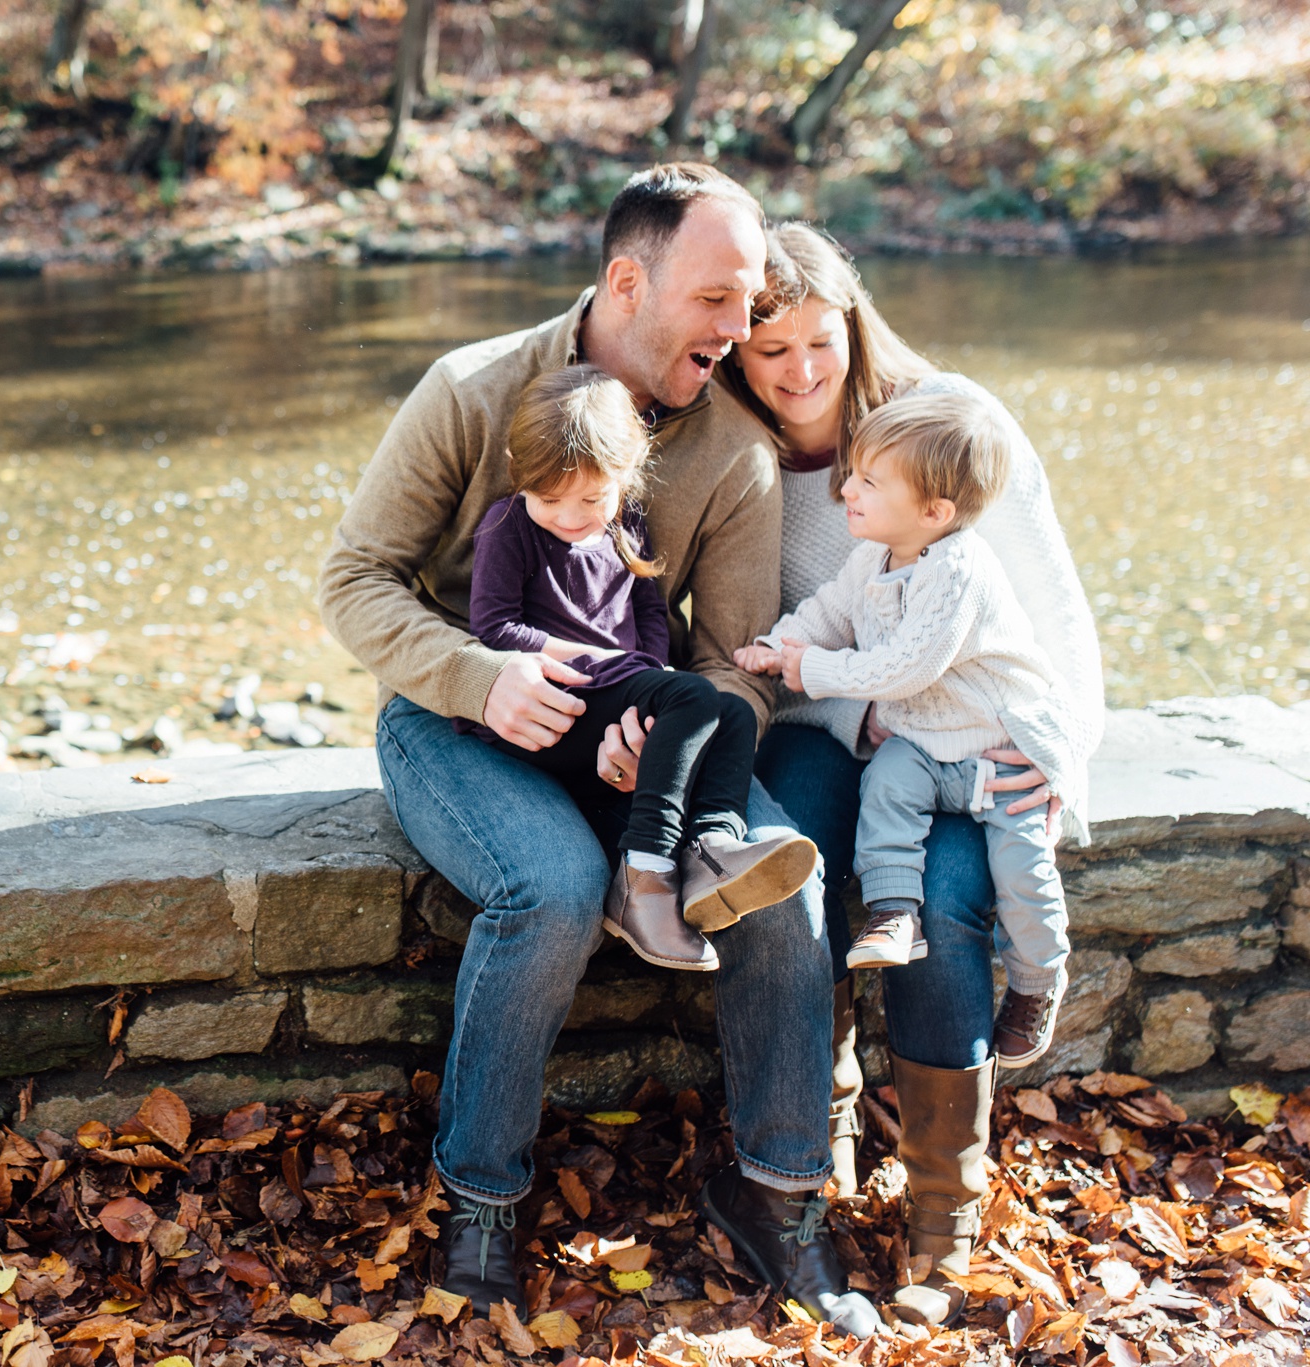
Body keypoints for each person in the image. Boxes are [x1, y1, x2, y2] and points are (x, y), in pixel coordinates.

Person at [318, 164, 882, 1339]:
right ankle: (479, 1199)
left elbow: (734, 657)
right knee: (552, 889)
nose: (742, 330)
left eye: (752, 302)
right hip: (456, 719)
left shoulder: (730, 446)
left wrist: (653, 720)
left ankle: (776, 1196)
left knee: (785, 886)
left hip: (638, 734)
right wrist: (481, 675)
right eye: (719, 300)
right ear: (627, 281)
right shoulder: (471, 389)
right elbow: (353, 579)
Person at [701, 221, 1104, 1328]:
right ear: (735, 350)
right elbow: (763, 636)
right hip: (820, 729)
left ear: (853, 320)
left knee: (938, 903)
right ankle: (805, 1144)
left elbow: (1053, 613)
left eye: (814, 342)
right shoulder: (738, 457)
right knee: (802, 872)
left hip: (967, 740)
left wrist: (1058, 755)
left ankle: (942, 1216)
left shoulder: (947, 428)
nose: (795, 372)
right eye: (765, 349)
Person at [734, 389, 1080, 1066]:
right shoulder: (877, 554)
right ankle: (894, 912)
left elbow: (905, 669)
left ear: (935, 511)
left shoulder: (959, 569)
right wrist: (781, 646)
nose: (848, 489)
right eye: (853, 472)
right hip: (923, 746)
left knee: (1023, 876)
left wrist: (813, 671)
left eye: (869, 480)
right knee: (887, 788)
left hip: (997, 751)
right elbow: (828, 611)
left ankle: (1040, 979)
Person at [469, 364, 816, 969]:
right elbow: (494, 627)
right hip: (557, 699)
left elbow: (651, 612)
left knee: (730, 709)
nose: (572, 516)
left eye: (591, 498)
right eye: (550, 499)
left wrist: (648, 675)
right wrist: (590, 659)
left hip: (624, 686)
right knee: (694, 700)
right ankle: (647, 870)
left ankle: (714, 845)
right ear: (518, 472)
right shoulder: (507, 527)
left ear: (626, 475)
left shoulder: (627, 524)